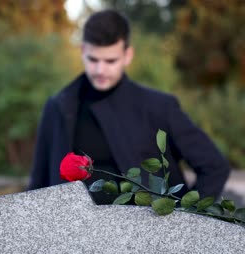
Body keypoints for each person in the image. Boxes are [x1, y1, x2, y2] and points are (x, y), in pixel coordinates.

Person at [28, 9, 230, 204]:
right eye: (93, 59)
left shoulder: (159, 107)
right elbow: (38, 185)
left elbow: (214, 166)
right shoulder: (58, 107)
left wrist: (187, 221)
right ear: (82, 51)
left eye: (110, 61)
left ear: (127, 55)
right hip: (74, 234)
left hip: (149, 235)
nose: (100, 70)